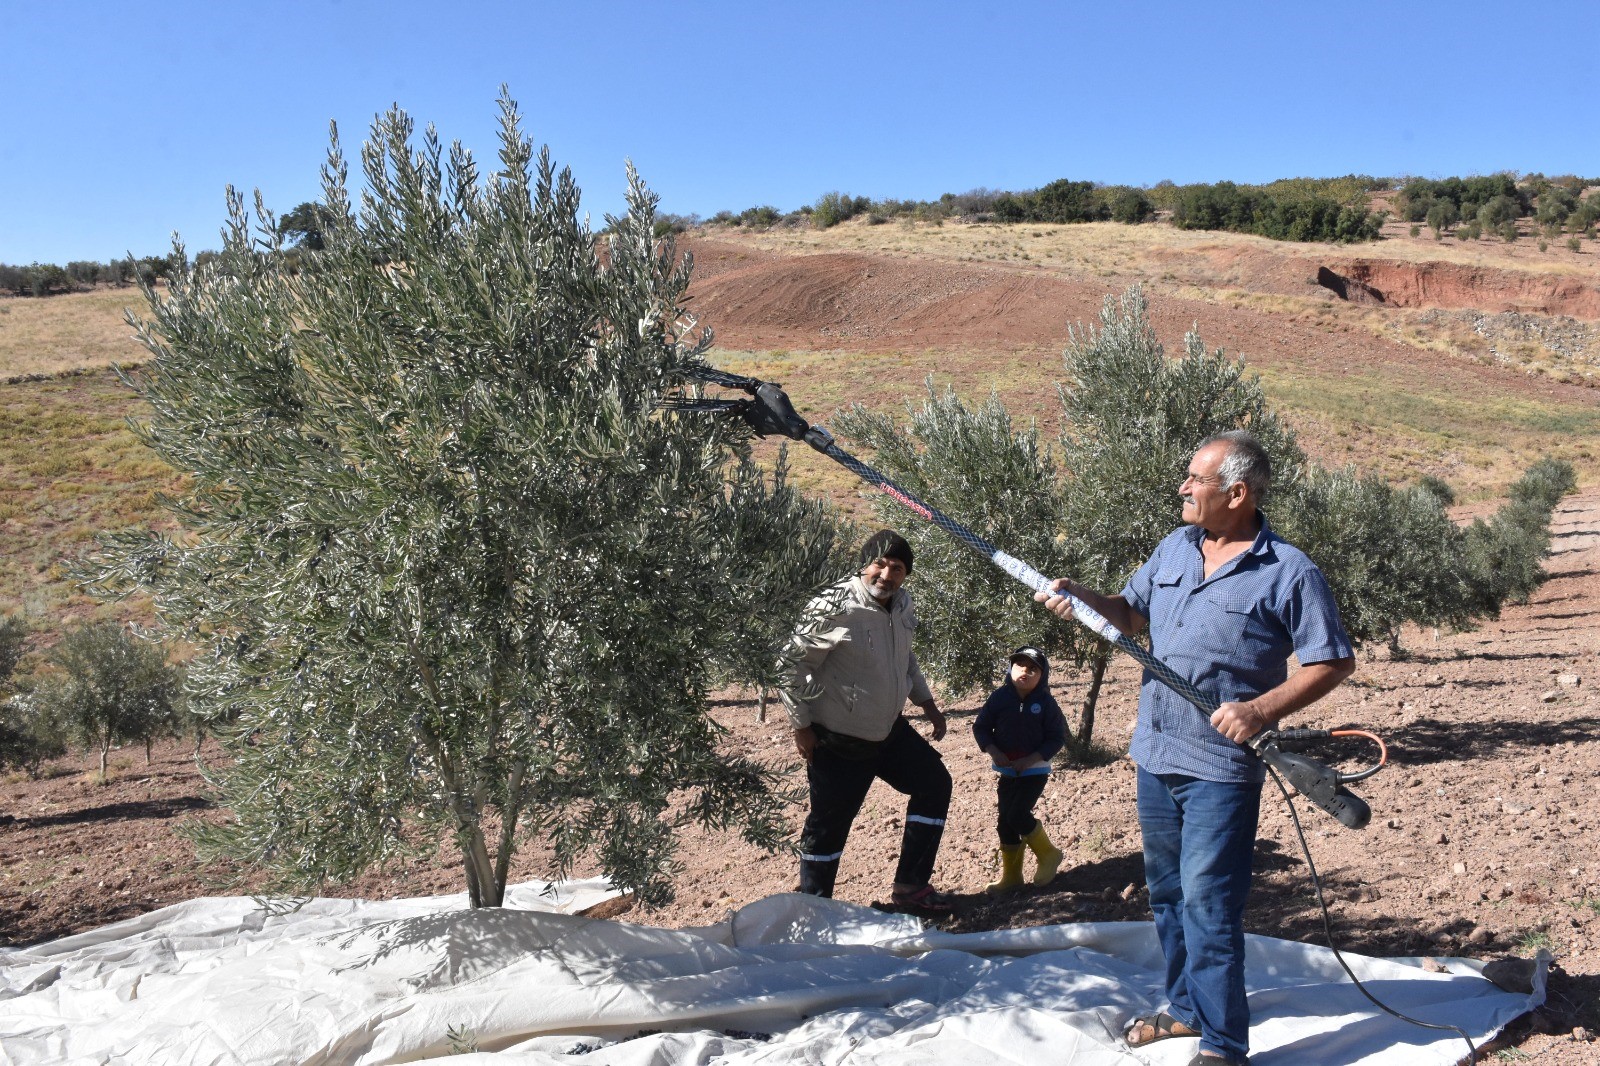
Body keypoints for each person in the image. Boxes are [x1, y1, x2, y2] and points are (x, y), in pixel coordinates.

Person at [1036, 430, 1355, 1066]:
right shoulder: (1175, 547)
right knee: (1167, 896)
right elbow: (1130, 614)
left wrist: (1260, 709)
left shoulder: (1288, 571)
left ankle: (1223, 1045)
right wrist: (1083, 599)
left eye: (1195, 479)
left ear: (1236, 493)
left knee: (1210, 902)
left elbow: (1331, 661)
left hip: (1220, 770)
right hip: (1155, 754)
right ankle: (1186, 1010)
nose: (1183, 488)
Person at [781, 529, 954, 913]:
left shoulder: (902, 603)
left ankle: (911, 888)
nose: (886, 574)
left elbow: (905, 658)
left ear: (906, 575)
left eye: (897, 568)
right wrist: (801, 726)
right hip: (839, 741)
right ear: (864, 564)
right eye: (879, 563)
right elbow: (791, 665)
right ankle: (815, 912)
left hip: (889, 732)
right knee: (828, 827)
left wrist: (926, 704)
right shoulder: (834, 605)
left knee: (934, 785)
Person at [972, 645, 1068, 892]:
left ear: (1042, 675)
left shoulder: (1046, 703)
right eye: (1019, 665)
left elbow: (1057, 737)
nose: (1025, 671)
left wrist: (1032, 759)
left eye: (1033, 668)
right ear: (1010, 668)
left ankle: (1049, 854)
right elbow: (981, 727)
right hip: (1007, 772)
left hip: (1034, 771)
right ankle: (1012, 878)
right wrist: (994, 751)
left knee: (1016, 815)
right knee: (1005, 823)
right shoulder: (999, 698)